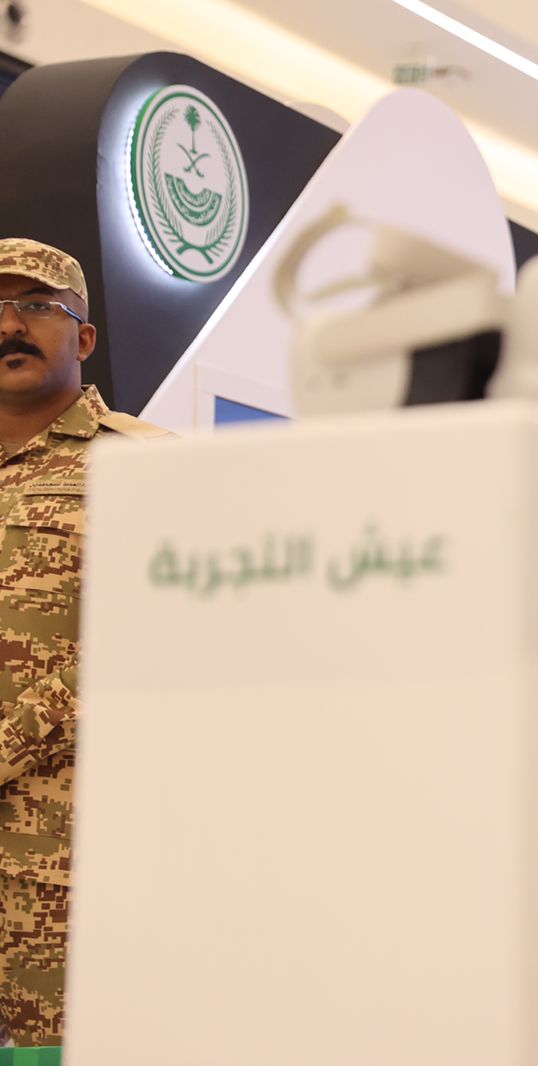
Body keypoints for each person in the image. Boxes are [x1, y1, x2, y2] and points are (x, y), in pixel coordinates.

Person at [0, 238, 170, 1044]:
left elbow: (165, 642)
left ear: (85, 336)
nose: (11, 324)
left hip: (62, 869)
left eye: (38, 305)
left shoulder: (146, 466)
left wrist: (14, 737)